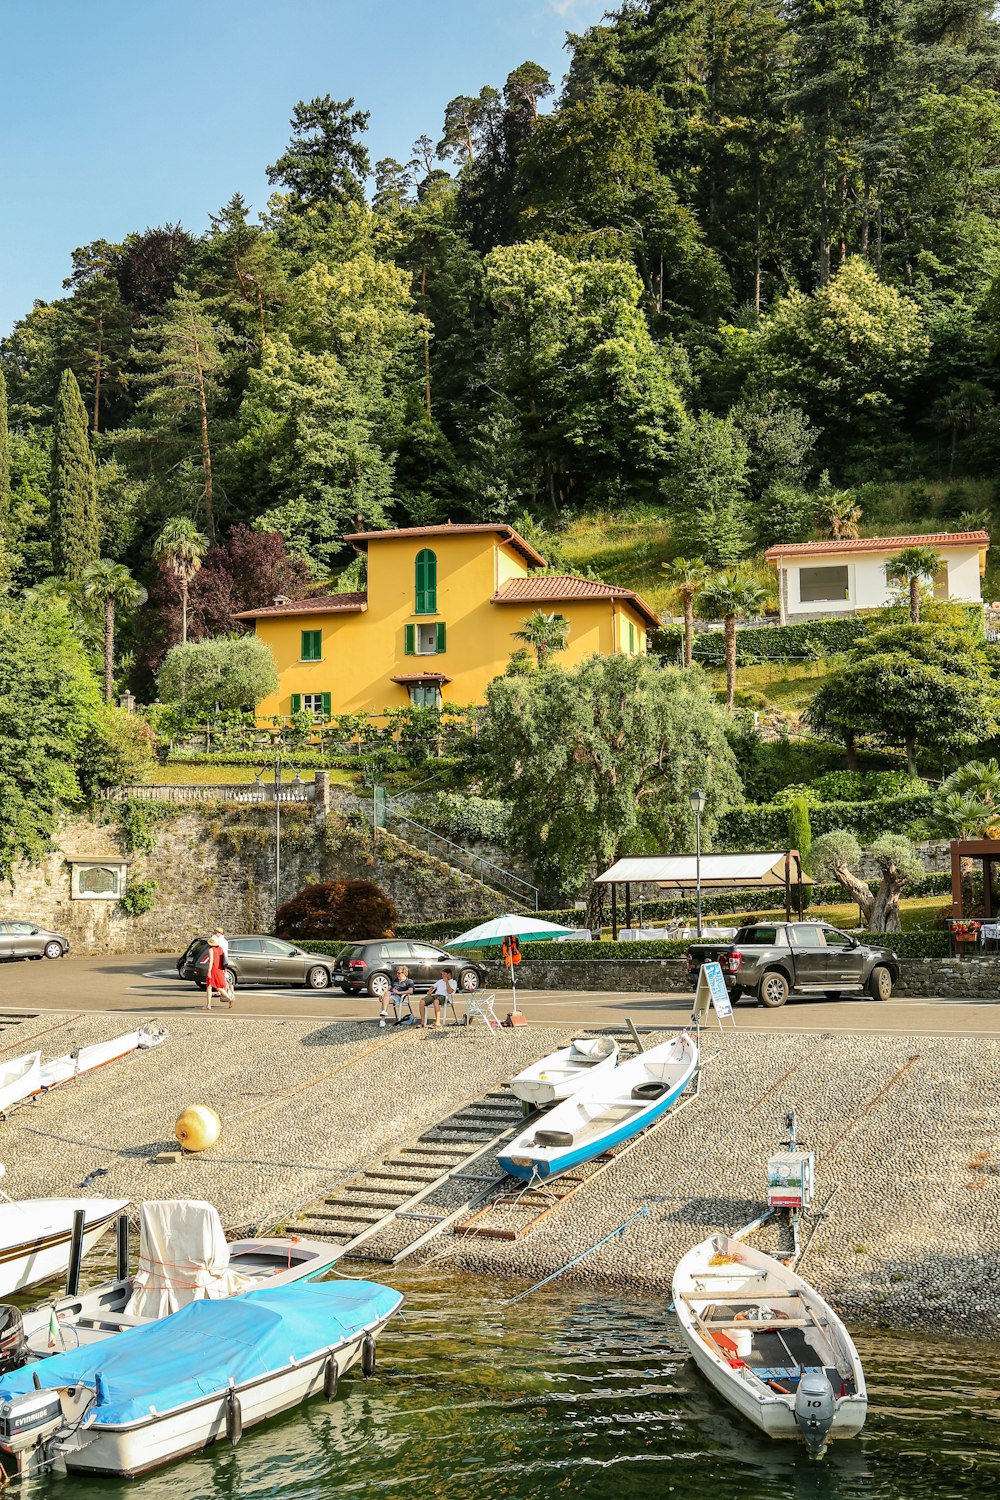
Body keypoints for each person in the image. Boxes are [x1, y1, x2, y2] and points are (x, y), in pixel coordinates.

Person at [204, 935, 231, 1011]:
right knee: (218, 986)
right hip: (219, 969)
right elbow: (223, 960)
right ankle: (229, 998)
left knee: (210, 986)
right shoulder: (220, 949)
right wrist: (224, 969)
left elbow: (211, 961)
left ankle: (208, 1005)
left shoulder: (211, 950)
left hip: (213, 969)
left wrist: (209, 971)